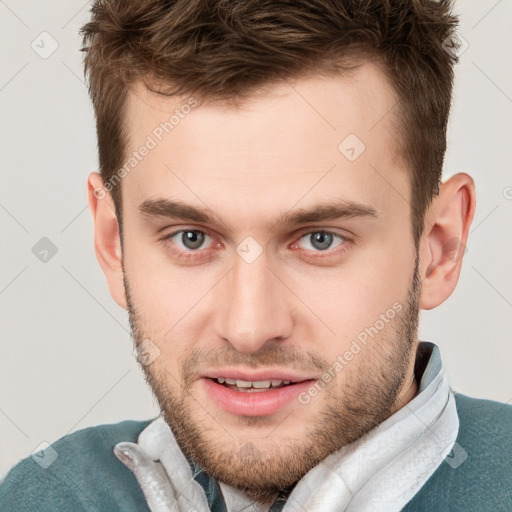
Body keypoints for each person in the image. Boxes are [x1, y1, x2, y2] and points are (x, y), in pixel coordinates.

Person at [1, 0, 511, 510]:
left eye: (320, 239)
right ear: (115, 243)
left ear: (439, 247)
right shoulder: (45, 497)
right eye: (191, 238)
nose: (249, 328)